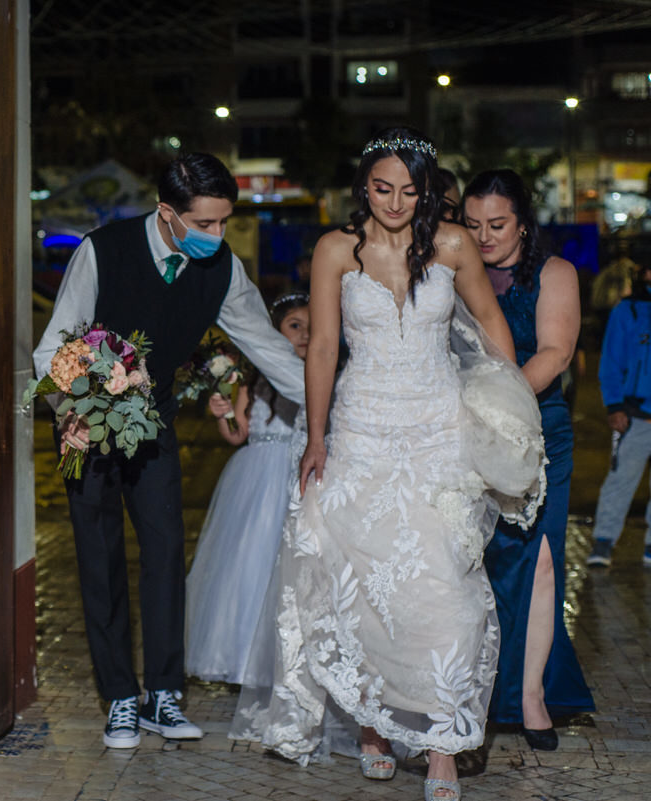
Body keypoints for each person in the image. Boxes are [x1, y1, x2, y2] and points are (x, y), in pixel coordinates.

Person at [232, 128, 523, 801]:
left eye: (409, 190)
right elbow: (325, 344)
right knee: (361, 582)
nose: (395, 201)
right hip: (362, 429)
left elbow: (491, 326)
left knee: (445, 585)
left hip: (437, 432)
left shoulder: (452, 245)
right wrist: (316, 435)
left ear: (426, 191)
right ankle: (372, 726)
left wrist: (508, 411)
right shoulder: (336, 249)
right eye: (382, 187)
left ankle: (444, 744)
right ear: (364, 185)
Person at [32, 152, 305, 749]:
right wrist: (70, 408)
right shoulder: (102, 251)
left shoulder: (222, 269)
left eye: (223, 223)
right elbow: (57, 341)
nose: (217, 236)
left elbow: (269, 348)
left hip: (153, 423)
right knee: (100, 558)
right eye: (204, 224)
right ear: (166, 213)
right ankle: (120, 698)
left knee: (163, 551)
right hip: (87, 419)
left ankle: (162, 693)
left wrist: (328, 406)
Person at [463, 168, 595, 750]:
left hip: (539, 433)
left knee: (540, 561)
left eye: (498, 224)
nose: (484, 236)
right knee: (475, 562)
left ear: (523, 221)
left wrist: (499, 408)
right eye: (472, 225)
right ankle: (475, 689)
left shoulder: (554, 273)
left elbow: (555, 351)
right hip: (461, 434)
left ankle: (533, 694)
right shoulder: (454, 273)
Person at [185, 291, 308, 685]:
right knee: (249, 564)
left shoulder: (318, 374)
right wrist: (222, 413)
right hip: (257, 478)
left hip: (298, 474)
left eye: (311, 326)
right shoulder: (253, 381)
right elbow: (238, 434)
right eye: (294, 326)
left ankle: (289, 657)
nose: (304, 335)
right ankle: (241, 656)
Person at [588, 250, 651, 568]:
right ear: (650, 273)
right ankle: (603, 542)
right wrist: (614, 405)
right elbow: (611, 361)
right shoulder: (628, 311)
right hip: (636, 414)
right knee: (621, 480)